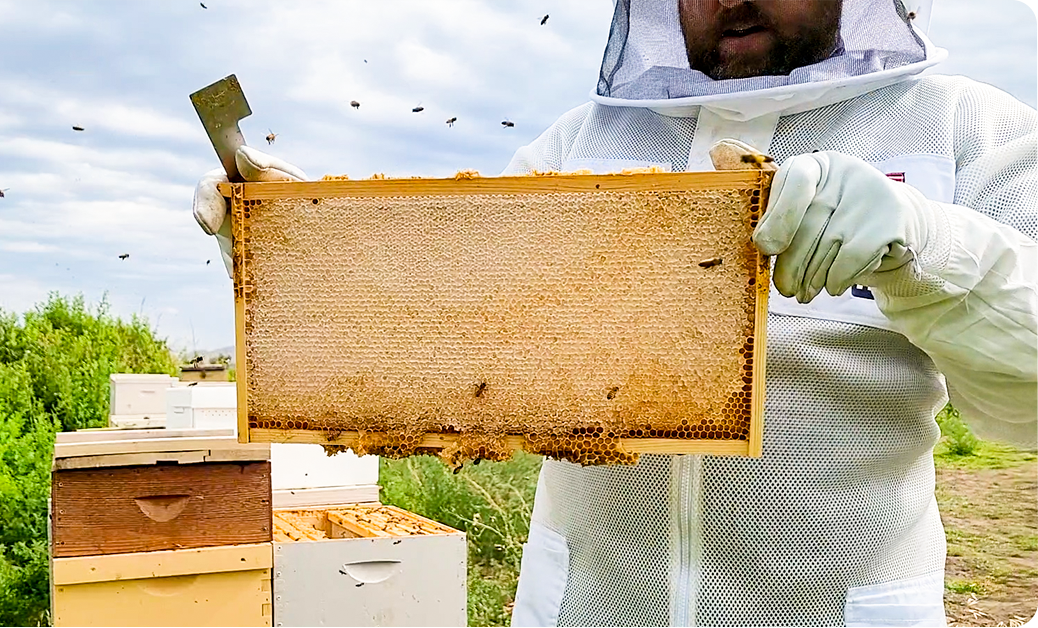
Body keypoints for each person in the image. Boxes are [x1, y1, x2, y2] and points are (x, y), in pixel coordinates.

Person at [192, 0, 1038, 624]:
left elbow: (1026, 401)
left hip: (842, 605)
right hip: (588, 602)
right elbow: (457, 325)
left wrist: (927, 245)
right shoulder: (580, 143)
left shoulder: (965, 124)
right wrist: (304, 250)